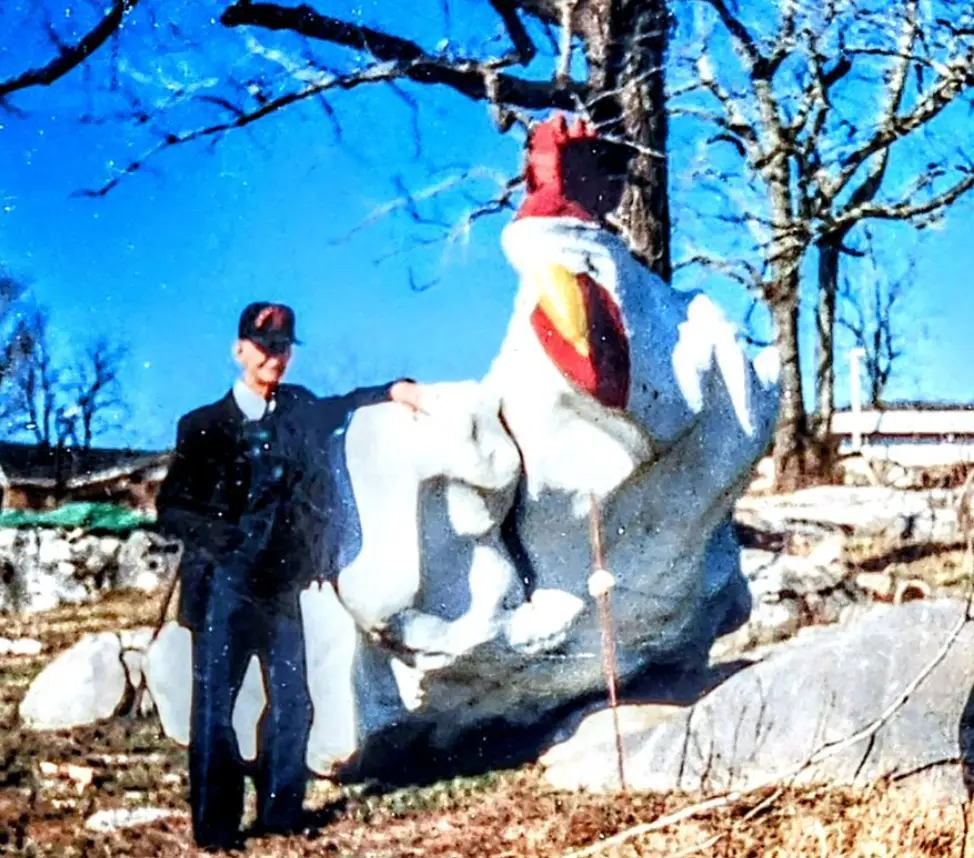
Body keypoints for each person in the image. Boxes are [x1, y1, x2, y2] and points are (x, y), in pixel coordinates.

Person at [155, 301, 424, 851]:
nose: (275, 357)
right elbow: (172, 508)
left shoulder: (298, 409)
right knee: (215, 709)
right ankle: (216, 828)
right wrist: (224, 541)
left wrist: (395, 390)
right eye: (265, 346)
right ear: (240, 350)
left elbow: (344, 405)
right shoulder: (203, 425)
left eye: (284, 348)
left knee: (293, 700)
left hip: (280, 589)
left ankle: (282, 814)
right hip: (223, 589)